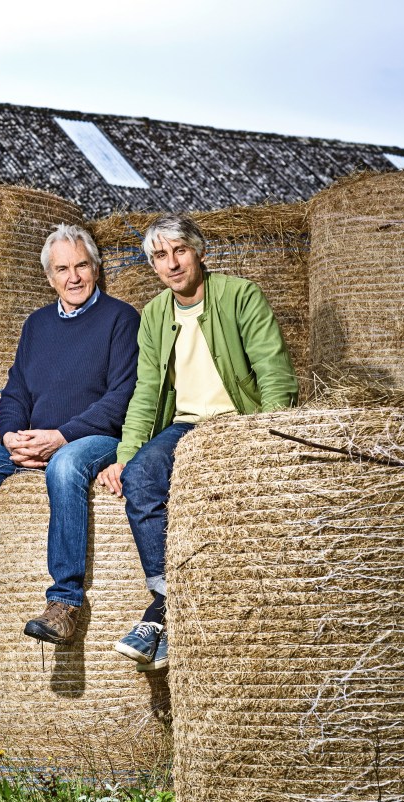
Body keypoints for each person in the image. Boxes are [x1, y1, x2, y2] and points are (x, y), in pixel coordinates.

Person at [0, 224, 140, 651]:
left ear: (96, 268)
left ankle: (65, 604)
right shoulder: (36, 325)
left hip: (95, 437)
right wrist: (12, 436)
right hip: (36, 437)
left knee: (66, 465)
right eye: (62, 269)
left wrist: (60, 436)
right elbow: (15, 391)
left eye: (82, 266)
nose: (73, 277)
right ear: (49, 277)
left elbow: (123, 396)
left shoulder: (121, 319)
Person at [97, 214, 298, 672]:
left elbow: (272, 369)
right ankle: (166, 601)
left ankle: (158, 619)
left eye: (179, 251)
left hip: (238, 421)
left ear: (199, 251)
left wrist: (270, 435)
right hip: (186, 425)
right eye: (160, 257)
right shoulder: (153, 315)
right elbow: (146, 392)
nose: (171, 264)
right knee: (143, 476)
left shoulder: (239, 295)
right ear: (152, 266)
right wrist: (126, 457)